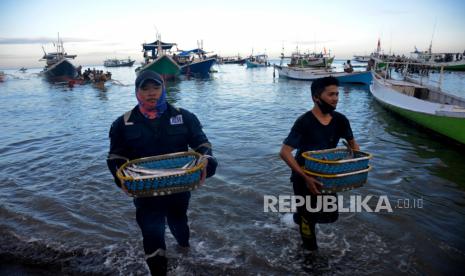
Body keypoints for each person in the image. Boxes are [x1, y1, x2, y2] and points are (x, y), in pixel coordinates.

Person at [107, 70, 218, 275]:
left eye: (156, 87)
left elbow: (202, 144)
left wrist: (207, 161)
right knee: (151, 232)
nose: (151, 93)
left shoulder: (184, 116)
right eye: (145, 88)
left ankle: (184, 249)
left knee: (179, 223)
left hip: (179, 187)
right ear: (137, 91)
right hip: (145, 191)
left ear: (163, 88)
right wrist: (119, 178)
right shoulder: (121, 123)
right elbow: (116, 157)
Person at [279, 76, 359, 251]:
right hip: (303, 176)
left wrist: (356, 169)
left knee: (330, 215)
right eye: (331, 94)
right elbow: (285, 152)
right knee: (310, 223)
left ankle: (297, 216)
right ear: (316, 97)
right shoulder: (304, 122)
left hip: (327, 176)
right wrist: (306, 177)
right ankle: (309, 259)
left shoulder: (341, 120)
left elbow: (354, 146)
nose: (336, 98)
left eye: (337, 94)